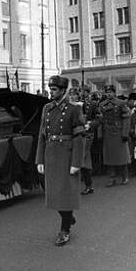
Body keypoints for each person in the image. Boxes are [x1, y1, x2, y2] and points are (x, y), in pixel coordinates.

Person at [35, 75, 85, 247]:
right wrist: (39, 159)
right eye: (50, 89)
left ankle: (64, 230)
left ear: (63, 90)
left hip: (66, 155)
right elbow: (42, 135)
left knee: (65, 193)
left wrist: (76, 163)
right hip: (50, 155)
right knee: (53, 194)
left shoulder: (73, 109)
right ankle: (68, 217)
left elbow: (79, 138)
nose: (51, 92)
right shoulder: (46, 108)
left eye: (54, 89)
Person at [93, 85, 131, 186]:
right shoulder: (102, 105)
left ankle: (125, 176)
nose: (108, 94)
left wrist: (125, 133)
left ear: (114, 92)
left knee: (122, 156)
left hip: (119, 133)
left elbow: (126, 118)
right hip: (108, 133)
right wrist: (100, 134)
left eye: (110, 92)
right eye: (107, 92)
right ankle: (111, 178)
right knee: (109, 157)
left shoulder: (121, 103)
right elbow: (101, 120)